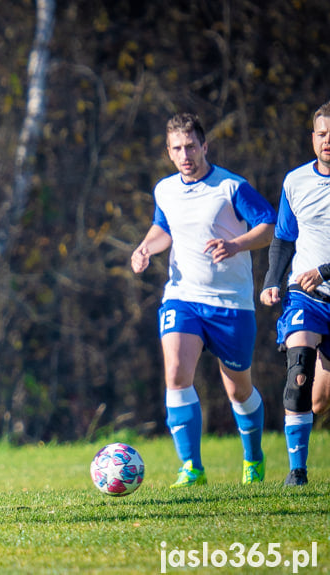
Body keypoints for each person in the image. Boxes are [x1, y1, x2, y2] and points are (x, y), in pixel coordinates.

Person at [131, 113, 276, 488]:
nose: (185, 155)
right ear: (168, 152)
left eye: (191, 146)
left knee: (237, 390)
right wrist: (146, 248)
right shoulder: (165, 189)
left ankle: (254, 457)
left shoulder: (231, 187)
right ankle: (192, 468)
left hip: (231, 303)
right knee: (177, 373)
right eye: (177, 148)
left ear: (204, 146)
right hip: (183, 297)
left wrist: (235, 244)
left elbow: (269, 225)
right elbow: (165, 227)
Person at [260, 100, 330, 486]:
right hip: (305, 298)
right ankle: (296, 474)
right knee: (298, 372)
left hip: (321, 280)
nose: (328, 142)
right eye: (322, 134)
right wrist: (272, 279)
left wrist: (323, 270)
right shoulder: (295, 181)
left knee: (320, 402)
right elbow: (284, 239)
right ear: (313, 138)